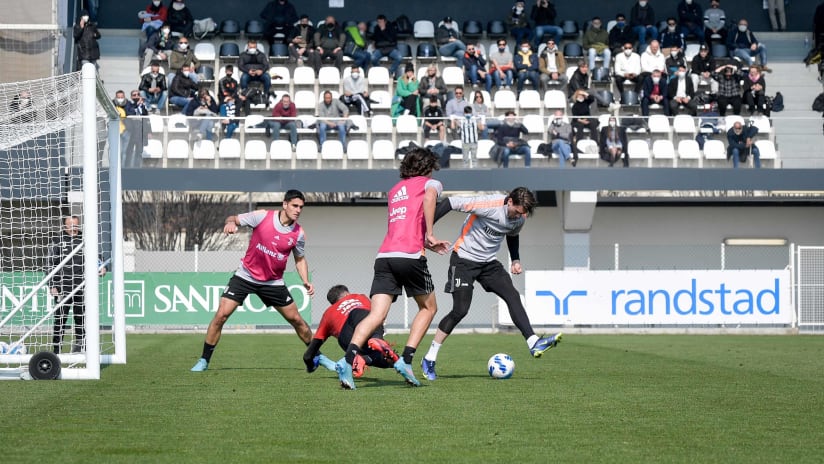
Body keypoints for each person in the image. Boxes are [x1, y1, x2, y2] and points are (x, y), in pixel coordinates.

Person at [334, 148, 450, 390]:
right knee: (429, 307)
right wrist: (430, 235)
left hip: (385, 256)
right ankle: (406, 361)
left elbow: (404, 222)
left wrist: (424, 239)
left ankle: (347, 361)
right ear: (428, 167)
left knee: (376, 315)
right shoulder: (431, 183)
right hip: (410, 256)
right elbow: (429, 198)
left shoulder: (395, 190)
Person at [420, 187, 561, 380]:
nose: (519, 216)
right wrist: (426, 230)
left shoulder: (520, 218)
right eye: (517, 211)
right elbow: (450, 202)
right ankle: (429, 358)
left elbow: (512, 234)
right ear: (509, 201)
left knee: (512, 295)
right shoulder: (488, 204)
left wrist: (516, 259)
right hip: (463, 260)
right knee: (460, 310)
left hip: (488, 264)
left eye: (523, 213)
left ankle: (533, 342)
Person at [191, 190, 315, 372]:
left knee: (296, 320)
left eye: (301, 207)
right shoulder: (262, 216)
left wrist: (305, 280)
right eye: (295, 206)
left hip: (272, 282)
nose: (298, 210)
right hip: (245, 275)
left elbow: (300, 259)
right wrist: (230, 223)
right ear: (285, 204)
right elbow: (232, 218)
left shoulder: (299, 233)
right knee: (221, 315)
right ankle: (204, 360)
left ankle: (315, 357)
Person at [303, 285, 401, 378]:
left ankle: (364, 359)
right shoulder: (359, 297)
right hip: (361, 318)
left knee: (386, 358)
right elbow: (377, 315)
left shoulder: (328, 313)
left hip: (345, 338)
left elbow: (310, 351)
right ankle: (376, 338)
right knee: (373, 318)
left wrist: (310, 365)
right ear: (347, 294)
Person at [49, 215, 107, 354]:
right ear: (65, 225)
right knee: (60, 320)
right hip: (62, 286)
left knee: (80, 319)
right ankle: (56, 351)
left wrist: (103, 267)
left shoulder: (85, 239)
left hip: (81, 286)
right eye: (70, 225)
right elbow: (50, 263)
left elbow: (98, 258)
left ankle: (81, 349)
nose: (73, 228)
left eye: (75, 225)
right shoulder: (57, 240)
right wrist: (52, 284)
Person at [371, 15, 402, 80]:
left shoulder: (391, 27)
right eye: (378, 22)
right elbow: (375, 39)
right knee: (373, 58)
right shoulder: (376, 28)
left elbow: (391, 39)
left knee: (399, 57)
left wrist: (383, 30)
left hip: (391, 48)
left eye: (381, 22)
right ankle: (381, 72)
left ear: (385, 22)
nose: (379, 24)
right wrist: (374, 46)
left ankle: (389, 72)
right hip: (380, 49)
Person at [123, 90, 150, 167]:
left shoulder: (142, 106)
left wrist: (149, 131)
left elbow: (146, 119)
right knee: (129, 151)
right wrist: (136, 106)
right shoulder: (129, 105)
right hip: (131, 132)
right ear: (131, 97)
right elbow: (128, 113)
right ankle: (127, 167)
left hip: (140, 132)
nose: (136, 96)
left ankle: (137, 168)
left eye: (138, 94)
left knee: (139, 152)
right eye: (134, 95)